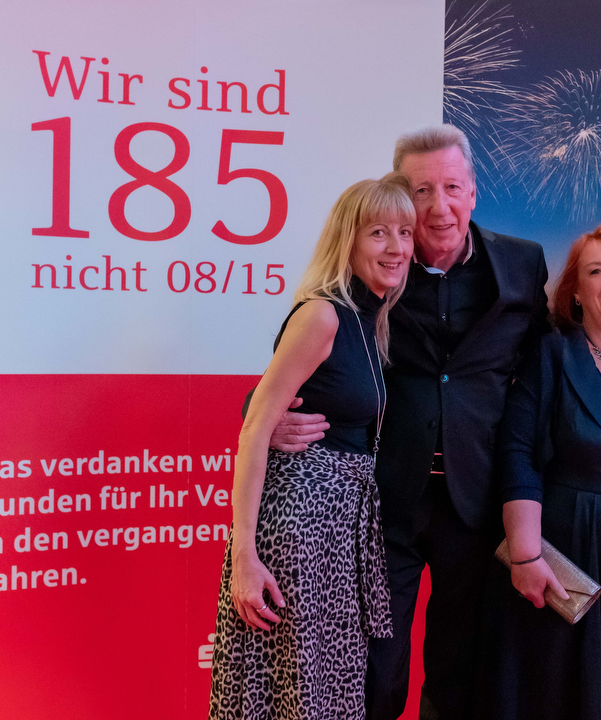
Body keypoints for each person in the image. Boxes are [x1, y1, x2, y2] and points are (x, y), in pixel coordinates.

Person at [262, 125, 550, 720]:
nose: (438, 207)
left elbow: (540, 371)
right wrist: (260, 416)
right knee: (376, 674)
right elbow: (310, 346)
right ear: (400, 195)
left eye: (452, 187)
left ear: (473, 191)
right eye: (421, 191)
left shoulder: (522, 264)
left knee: (458, 670)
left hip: (476, 502)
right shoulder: (377, 262)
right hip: (382, 501)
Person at [208, 174, 416, 720]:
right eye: (378, 232)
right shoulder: (322, 315)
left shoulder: (371, 321)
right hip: (299, 527)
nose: (396, 247)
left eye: (404, 232)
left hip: (339, 531)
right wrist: (244, 555)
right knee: (296, 694)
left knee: (325, 693)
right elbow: (256, 429)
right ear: (347, 240)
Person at [474, 224, 601, 720]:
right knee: (563, 692)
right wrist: (525, 555)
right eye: (596, 271)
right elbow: (518, 453)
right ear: (574, 291)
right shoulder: (551, 354)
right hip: (570, 557)